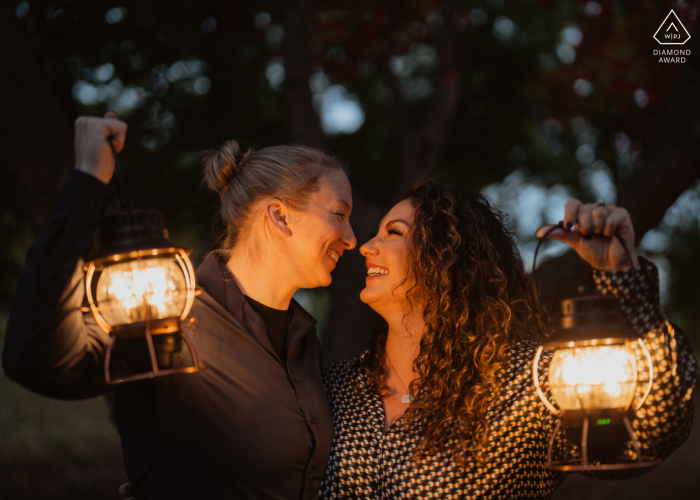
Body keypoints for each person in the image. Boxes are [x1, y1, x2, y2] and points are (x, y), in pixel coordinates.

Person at [2, 112, 357, 499]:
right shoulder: (169, 318)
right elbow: (34, 357)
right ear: (279, 216)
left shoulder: (301, 337)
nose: (351, 238)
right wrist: (87, 184)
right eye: (339, 214)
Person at [319, 179, 697, 499]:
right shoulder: (335, 387)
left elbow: (652, 429)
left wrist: (623, 275)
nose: (367, 246)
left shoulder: (526, 384)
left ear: (447, 260)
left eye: (394, 232)